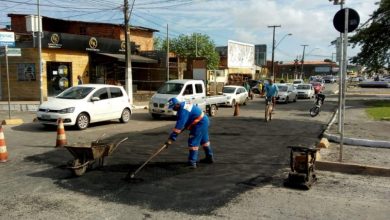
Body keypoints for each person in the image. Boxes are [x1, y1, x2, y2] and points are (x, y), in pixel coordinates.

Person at [165, 98, 214, 169]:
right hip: (204, 121)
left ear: (177, 104)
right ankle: (209, 157)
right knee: (204, 141)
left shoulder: (183, 110)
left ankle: (192, 162)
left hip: (199, 123)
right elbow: (188, 119)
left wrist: (171, 138)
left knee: (193, 142)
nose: (173, 109)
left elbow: (179, 126)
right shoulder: (183, 106)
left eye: (173, 107)